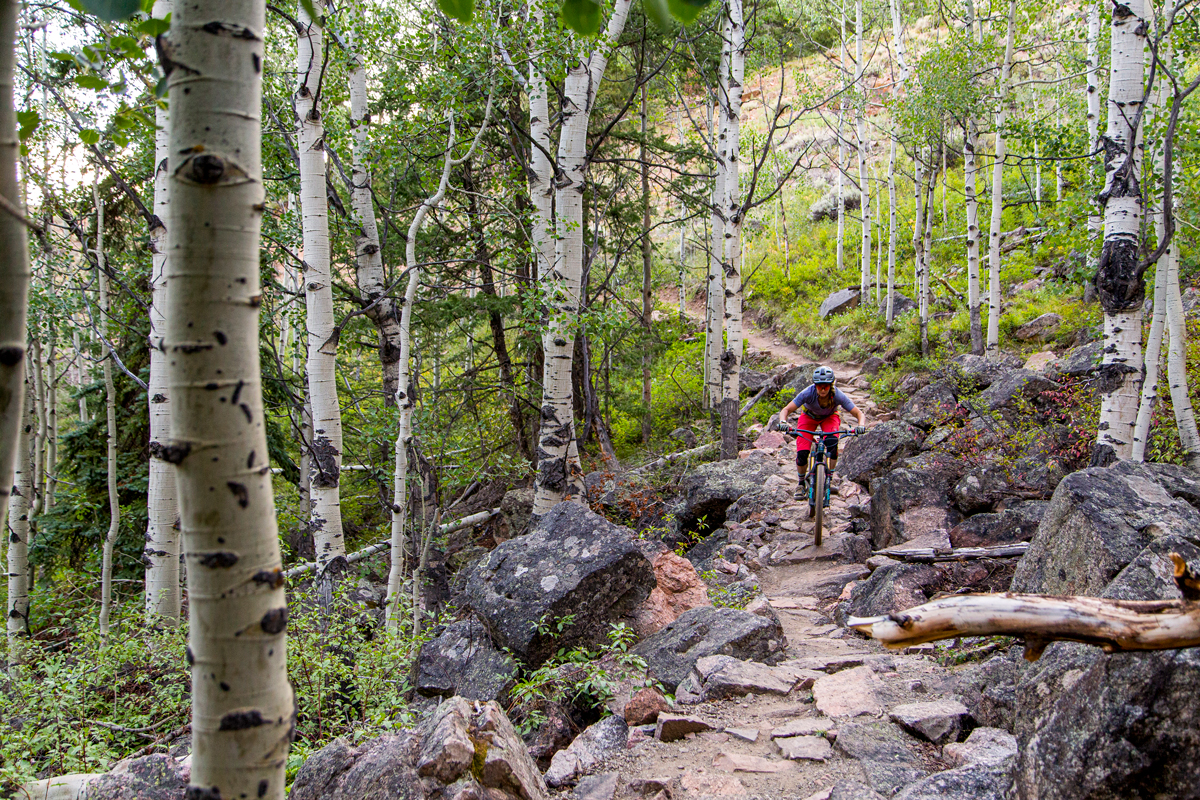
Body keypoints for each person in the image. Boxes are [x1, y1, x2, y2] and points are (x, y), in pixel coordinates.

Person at [774, 366, 866, 502]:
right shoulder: (807, 393)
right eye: (819, 386)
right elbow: (786, 410)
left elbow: (859, 413)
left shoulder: (838, 395)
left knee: (832, 445)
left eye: (826, 386)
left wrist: (861, 426)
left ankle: (829, 478)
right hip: (808, 417)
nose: (822, 389)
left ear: (831, 385)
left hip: (829, 417)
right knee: (802, 453)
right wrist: (783, 421)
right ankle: (800, 483)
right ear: (815, 385)